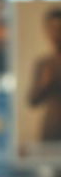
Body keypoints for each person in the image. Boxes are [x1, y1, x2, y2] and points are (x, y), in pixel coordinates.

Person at [29, 8, 61, 143]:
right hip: (51, 129)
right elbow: (32, 101)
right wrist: (44, 83)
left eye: (59, 28)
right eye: (52, 28)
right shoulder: (43, 64)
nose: (56, 33)